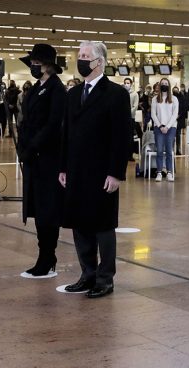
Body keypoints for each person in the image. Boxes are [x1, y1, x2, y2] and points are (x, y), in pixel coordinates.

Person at [59, 41, 130, 298]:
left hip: (102, 171)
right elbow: (66, 133)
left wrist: (116, 172)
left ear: (99, 62)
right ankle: (87, 274)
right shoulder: (73, 94)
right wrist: (63, 167)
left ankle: (105, 278)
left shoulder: (116, 94)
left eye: (86, 56)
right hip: (77, 170)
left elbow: (121, 137)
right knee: (80, 224)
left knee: (102, 225)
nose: (81, 59)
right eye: (79, 55)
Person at [17, 44, 67, 277]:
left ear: (47, 65)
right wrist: (23, 145)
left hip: (48, 157)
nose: (34, 67)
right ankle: (43, 254)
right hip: (33, 156)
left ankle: (48, 256)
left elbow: (53, 124)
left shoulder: (57, 89)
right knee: (37, 206)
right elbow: (27, 118)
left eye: (37, 63)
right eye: (33, 63)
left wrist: (34, 145)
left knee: (48, 208)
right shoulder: (37, 87)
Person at [151, 78, 179, 182]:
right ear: (159, 85)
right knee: (159, 150)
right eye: (162, 83)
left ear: (169, 85)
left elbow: (175, 114)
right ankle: (159, 172)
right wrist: (160, 126)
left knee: (169, 150)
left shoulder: (174, 99)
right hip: (159, 128)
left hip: (171, 127)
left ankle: (169, 172)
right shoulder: (155, 99)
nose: (164, 85)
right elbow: (153, 114)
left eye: (166, 83)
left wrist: (167, 126)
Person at [123, 77, 139, 161]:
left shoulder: (135, 94)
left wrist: (127, 113)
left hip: (130, 118)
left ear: (131, 84)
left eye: (128, 83)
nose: (126, 84)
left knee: (130, 138)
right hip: (122, 119)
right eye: (125, 82)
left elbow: (135, 106)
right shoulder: (121, 93)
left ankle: (130, 155)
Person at [172, 86, 188, 155]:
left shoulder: (182, 98)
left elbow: (184, 107)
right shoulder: (171, 97)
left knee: (178, 134)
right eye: (174, 90)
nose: (175, 91)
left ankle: (178, 148)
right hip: (172, 119)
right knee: (172, 134)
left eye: (176, 90)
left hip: (179, 118)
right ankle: (171, 148)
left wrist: (178, 115)